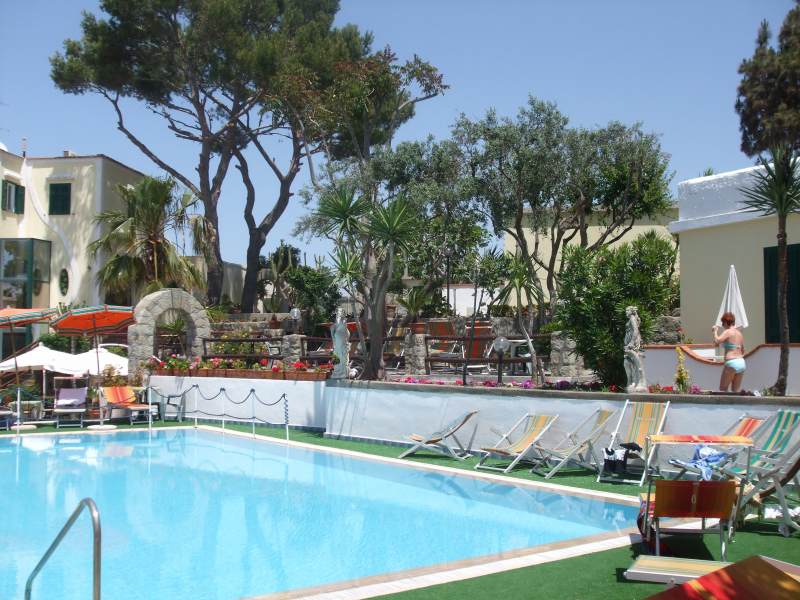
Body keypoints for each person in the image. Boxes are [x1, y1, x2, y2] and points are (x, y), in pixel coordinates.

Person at [713, 311, 746, 392]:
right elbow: (743, 350)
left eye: (723, 323)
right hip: (741, 362)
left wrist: (715, 331)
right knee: (735, 390)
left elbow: (717, 341)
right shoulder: (739, 334)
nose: (722, 325)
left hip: (731, 362)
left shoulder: (728, 331)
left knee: (723, 389)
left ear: (725, 322)